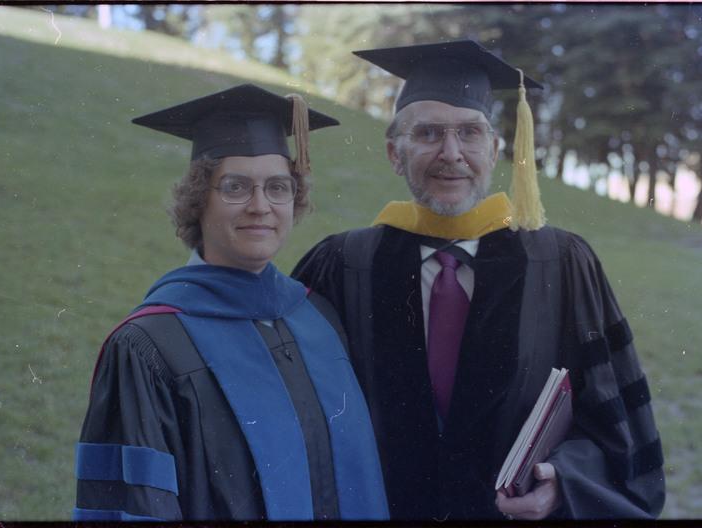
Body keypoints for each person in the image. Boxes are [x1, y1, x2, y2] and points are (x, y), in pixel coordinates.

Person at [292, 41, 665, 520]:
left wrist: (563, 483)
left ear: (493, 150)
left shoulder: (561, 262)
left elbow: (619, 427)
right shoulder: (343, 263)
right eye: (427, 133)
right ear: (394, 153)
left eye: (469, 133)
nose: (452, 154)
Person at [74, 83, 389, 522]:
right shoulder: (148, 347)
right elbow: (133, 508)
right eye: (236, 187)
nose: (260, 206)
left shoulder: (316, 316)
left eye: (278, 187)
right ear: (198, 199)